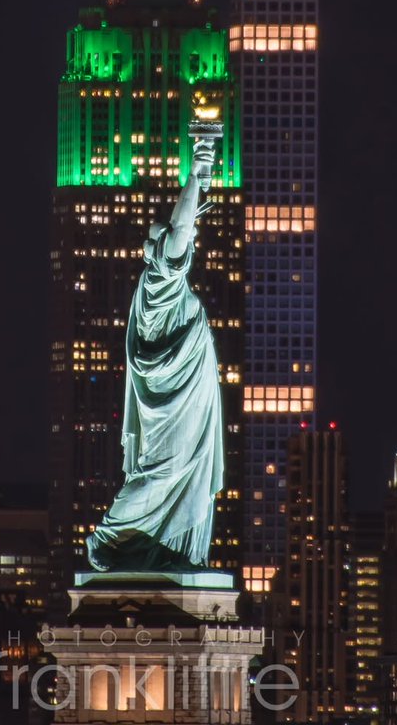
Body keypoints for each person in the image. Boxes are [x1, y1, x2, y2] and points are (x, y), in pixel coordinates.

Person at [86, 136, 223, 572]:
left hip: (181, 400)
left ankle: (167, 548)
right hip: (172, 405)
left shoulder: (159, 287)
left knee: (168, 472)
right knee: (163, 472)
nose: (180, 242)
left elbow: (183, 227)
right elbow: (183, 226)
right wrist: (198, 170)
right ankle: (111, 534)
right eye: (166, 240)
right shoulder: (162, 279)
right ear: (160, 251)